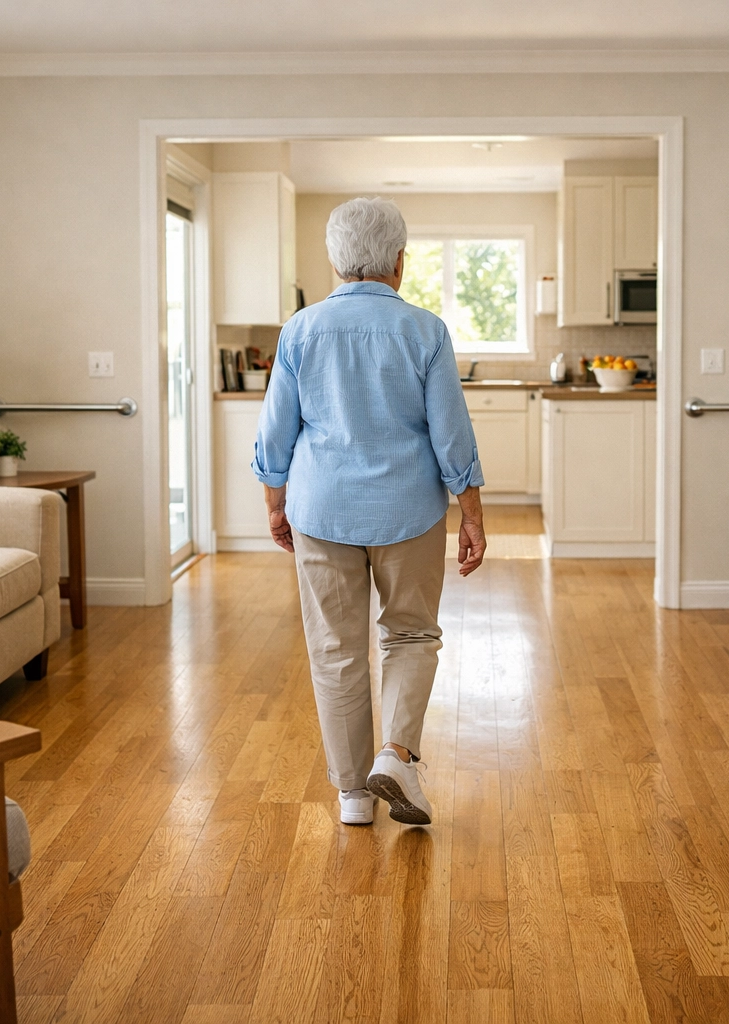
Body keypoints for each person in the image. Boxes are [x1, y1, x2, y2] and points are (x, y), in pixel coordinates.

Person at [251, 196, 486, 826]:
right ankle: (396, 754)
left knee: (336, 648)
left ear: (335, 260)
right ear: (400, 262)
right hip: (409, 508)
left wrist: (276, 504)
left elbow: (276, 433)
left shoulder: (300, 330)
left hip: (320, 506)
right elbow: (451, 433)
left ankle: (353, 794)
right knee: (410, 633)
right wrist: (472, 512)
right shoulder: (425, 330)